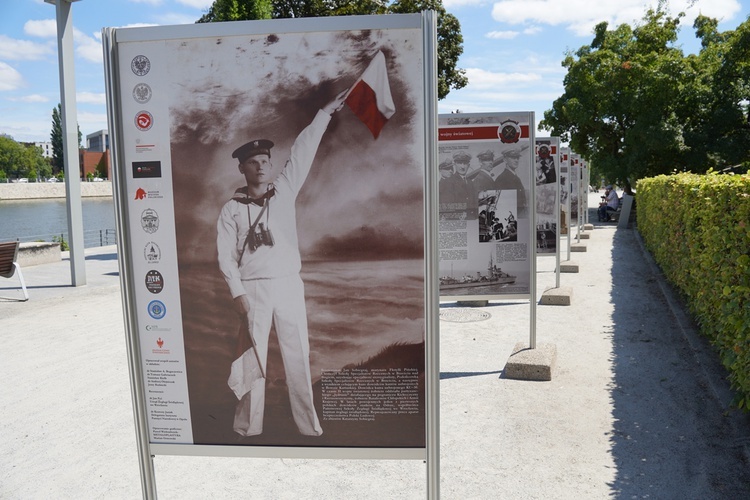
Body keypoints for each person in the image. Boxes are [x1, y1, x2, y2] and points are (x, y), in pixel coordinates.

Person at [217, 89, 348, 437]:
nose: (261, 167)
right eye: (253, 163)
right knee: (252, 360)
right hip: (254, 289)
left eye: (266, 161)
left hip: (289, 283)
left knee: (298, 355)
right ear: (242, 168)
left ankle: (308, 427)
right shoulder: (231, 209)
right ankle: (247, 427)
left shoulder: (285, 190)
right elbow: (225, 257)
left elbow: (304, 150)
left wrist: (324, 113)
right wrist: (237, 293)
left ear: (271, 165)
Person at [494, 147, 527, 214]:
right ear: (505, 160)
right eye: (513, 158)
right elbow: (501, 205)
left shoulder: (516, 177)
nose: (516, 160)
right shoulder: (502, 179)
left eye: (517, 158)